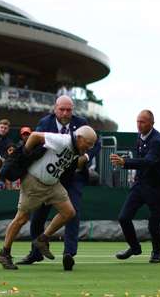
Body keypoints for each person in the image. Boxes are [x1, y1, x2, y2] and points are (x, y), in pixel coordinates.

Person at [0, 125, 98, 271]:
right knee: (21, 218)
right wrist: (24, 156)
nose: (89, 147)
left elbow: (73, 163)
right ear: (79, 138)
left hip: (52, 184)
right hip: (34, 182)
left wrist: (84, 158)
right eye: (88, 144)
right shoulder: (62, 140)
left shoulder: (77, 149)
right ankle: (4, 253)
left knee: (69, 212)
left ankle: (42, 239)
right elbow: (35, 136)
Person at [17, 95, 100, 269]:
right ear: (55, 109)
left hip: (74, 176)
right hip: (51, 177)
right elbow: (36, 145)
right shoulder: (44, 123)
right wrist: (22, 165)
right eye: (61, 109)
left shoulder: (82, 123)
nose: (65, 113)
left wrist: (85, 156)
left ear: (73, 110)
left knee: (72, 213)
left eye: (68, 109)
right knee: (38, 216)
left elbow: (96, 143)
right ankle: (36, 252)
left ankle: (69, 254)